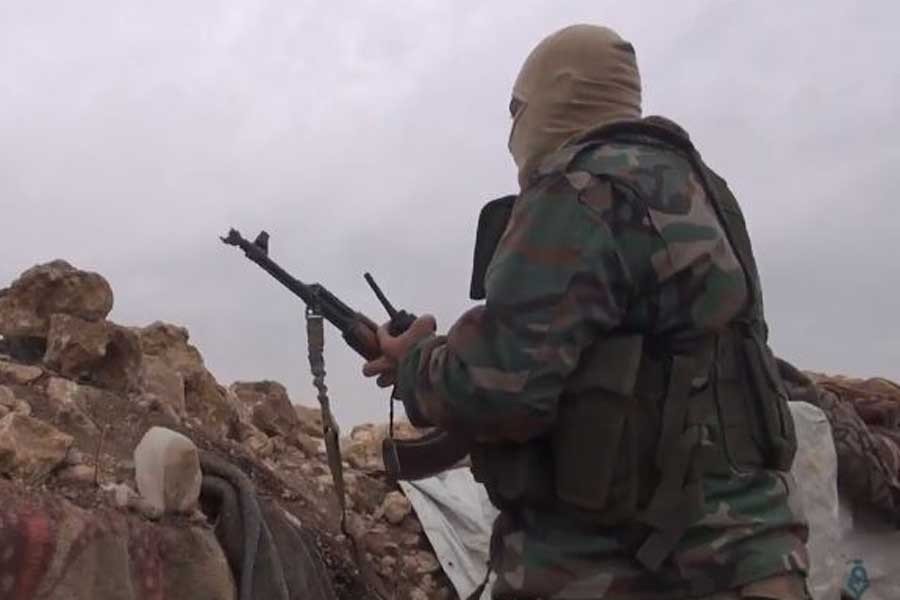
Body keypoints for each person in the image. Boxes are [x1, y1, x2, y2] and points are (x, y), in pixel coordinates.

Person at [363, 24, 810, 599]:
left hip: (626, 570)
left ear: (557, 95)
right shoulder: (703, 188)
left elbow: (501, 388)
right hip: (757, 561)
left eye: (517, 110)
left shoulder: (580, 187)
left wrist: (414, 363)